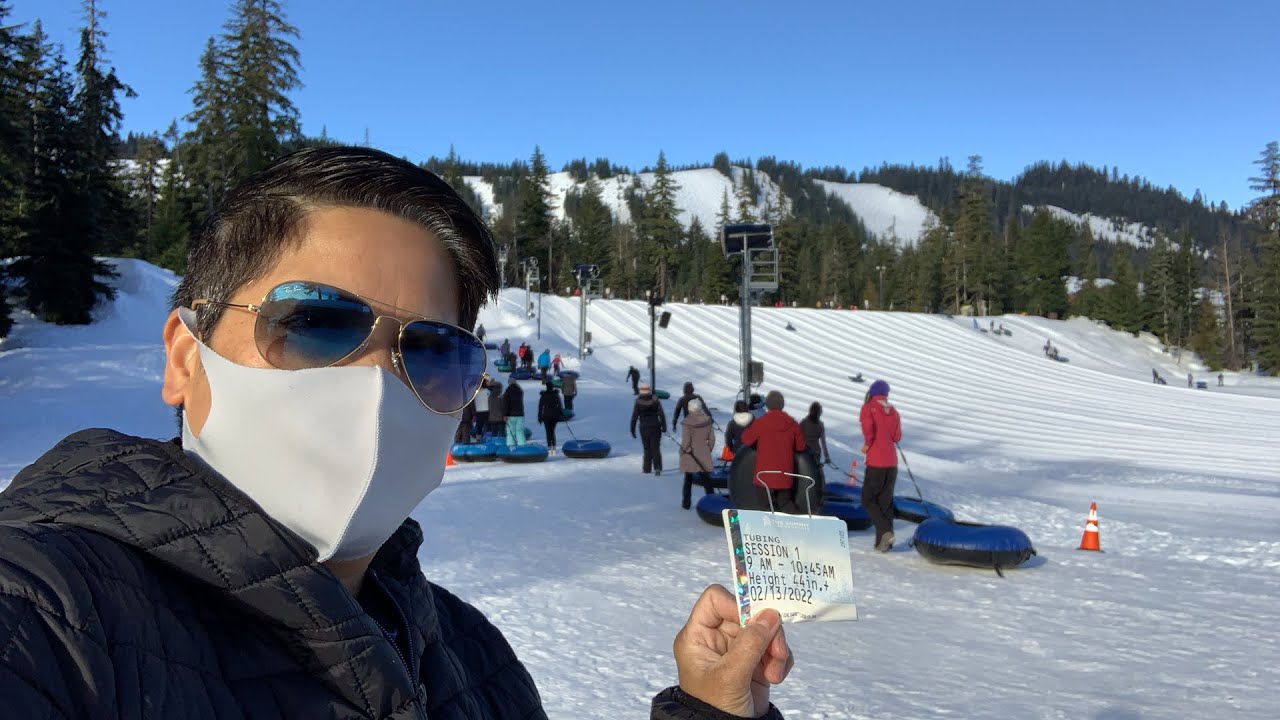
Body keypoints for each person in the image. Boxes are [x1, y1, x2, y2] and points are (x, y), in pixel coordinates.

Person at [0, 147, 793, 720]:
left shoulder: (472, 659)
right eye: (313, 323)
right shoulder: (48, 616)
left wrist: (709, 714)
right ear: (185, 355)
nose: (375, 384)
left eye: (433, 351)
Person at [740, 391, 807, 514]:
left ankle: (769, 528)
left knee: (764, 504)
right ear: (782, 405)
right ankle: (799, 524)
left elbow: (746, 439)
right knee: (785, 502)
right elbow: (801, 447)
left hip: (764, 474)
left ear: (768, 405)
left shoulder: (761, 422)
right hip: (785, 473)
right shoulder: (792, 424)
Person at [860, 379, 903, 552]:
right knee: (885, 501)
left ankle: (885, 531)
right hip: (891, 462)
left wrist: (868, 443)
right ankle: (883, 544)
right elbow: (897, 436)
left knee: (868, 498)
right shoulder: (893, 411)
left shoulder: (869, 407)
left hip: (876, 460)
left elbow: (868, 427)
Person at [679, 398, 716, 509]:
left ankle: (686, 503)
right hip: (703, 452)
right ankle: (712, 501)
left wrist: (682, 451)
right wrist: (707, 449)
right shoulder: (707, 420)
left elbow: (686, 441)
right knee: (706, 480)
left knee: (688, 479)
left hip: (690, 453)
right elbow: (712, 439)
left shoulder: (687, 422)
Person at [630, 383, 667, 476]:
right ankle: (657, 467)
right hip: (655, 426)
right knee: (656, 448)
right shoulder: (655, 400)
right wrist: (664, 426)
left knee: (647, 448)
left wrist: (632, 429)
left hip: (644, 427)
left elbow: (634, 416)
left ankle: (646, 469)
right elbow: (661, 414)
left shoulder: (638, 401)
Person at [799, 401, 831, 466]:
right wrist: (826, 456)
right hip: (816, 452)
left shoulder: (804, 422)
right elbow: (823, 442)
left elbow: (797, 436)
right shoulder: (820, 425)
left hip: (804, 451)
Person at [537, 381, 564, 453]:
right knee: (552, 431)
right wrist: (561, 414)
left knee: (548, 432)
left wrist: (539, 416)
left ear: (546, 387)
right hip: (554, 416)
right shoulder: (555, 394)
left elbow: (540, 407)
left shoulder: (543, 395)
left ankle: (549, 447)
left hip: (546, 416)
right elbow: (560, 405)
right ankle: (554, 447)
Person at [503, 379, 526, 447]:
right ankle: (522, 446)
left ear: (509, 383)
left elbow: (506, 404)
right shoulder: (520, 391)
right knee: (519, 431)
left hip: (511, 415)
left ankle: (510, 446)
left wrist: (505, 414)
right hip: (520, 414)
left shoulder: (507, 391)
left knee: (510, 432)